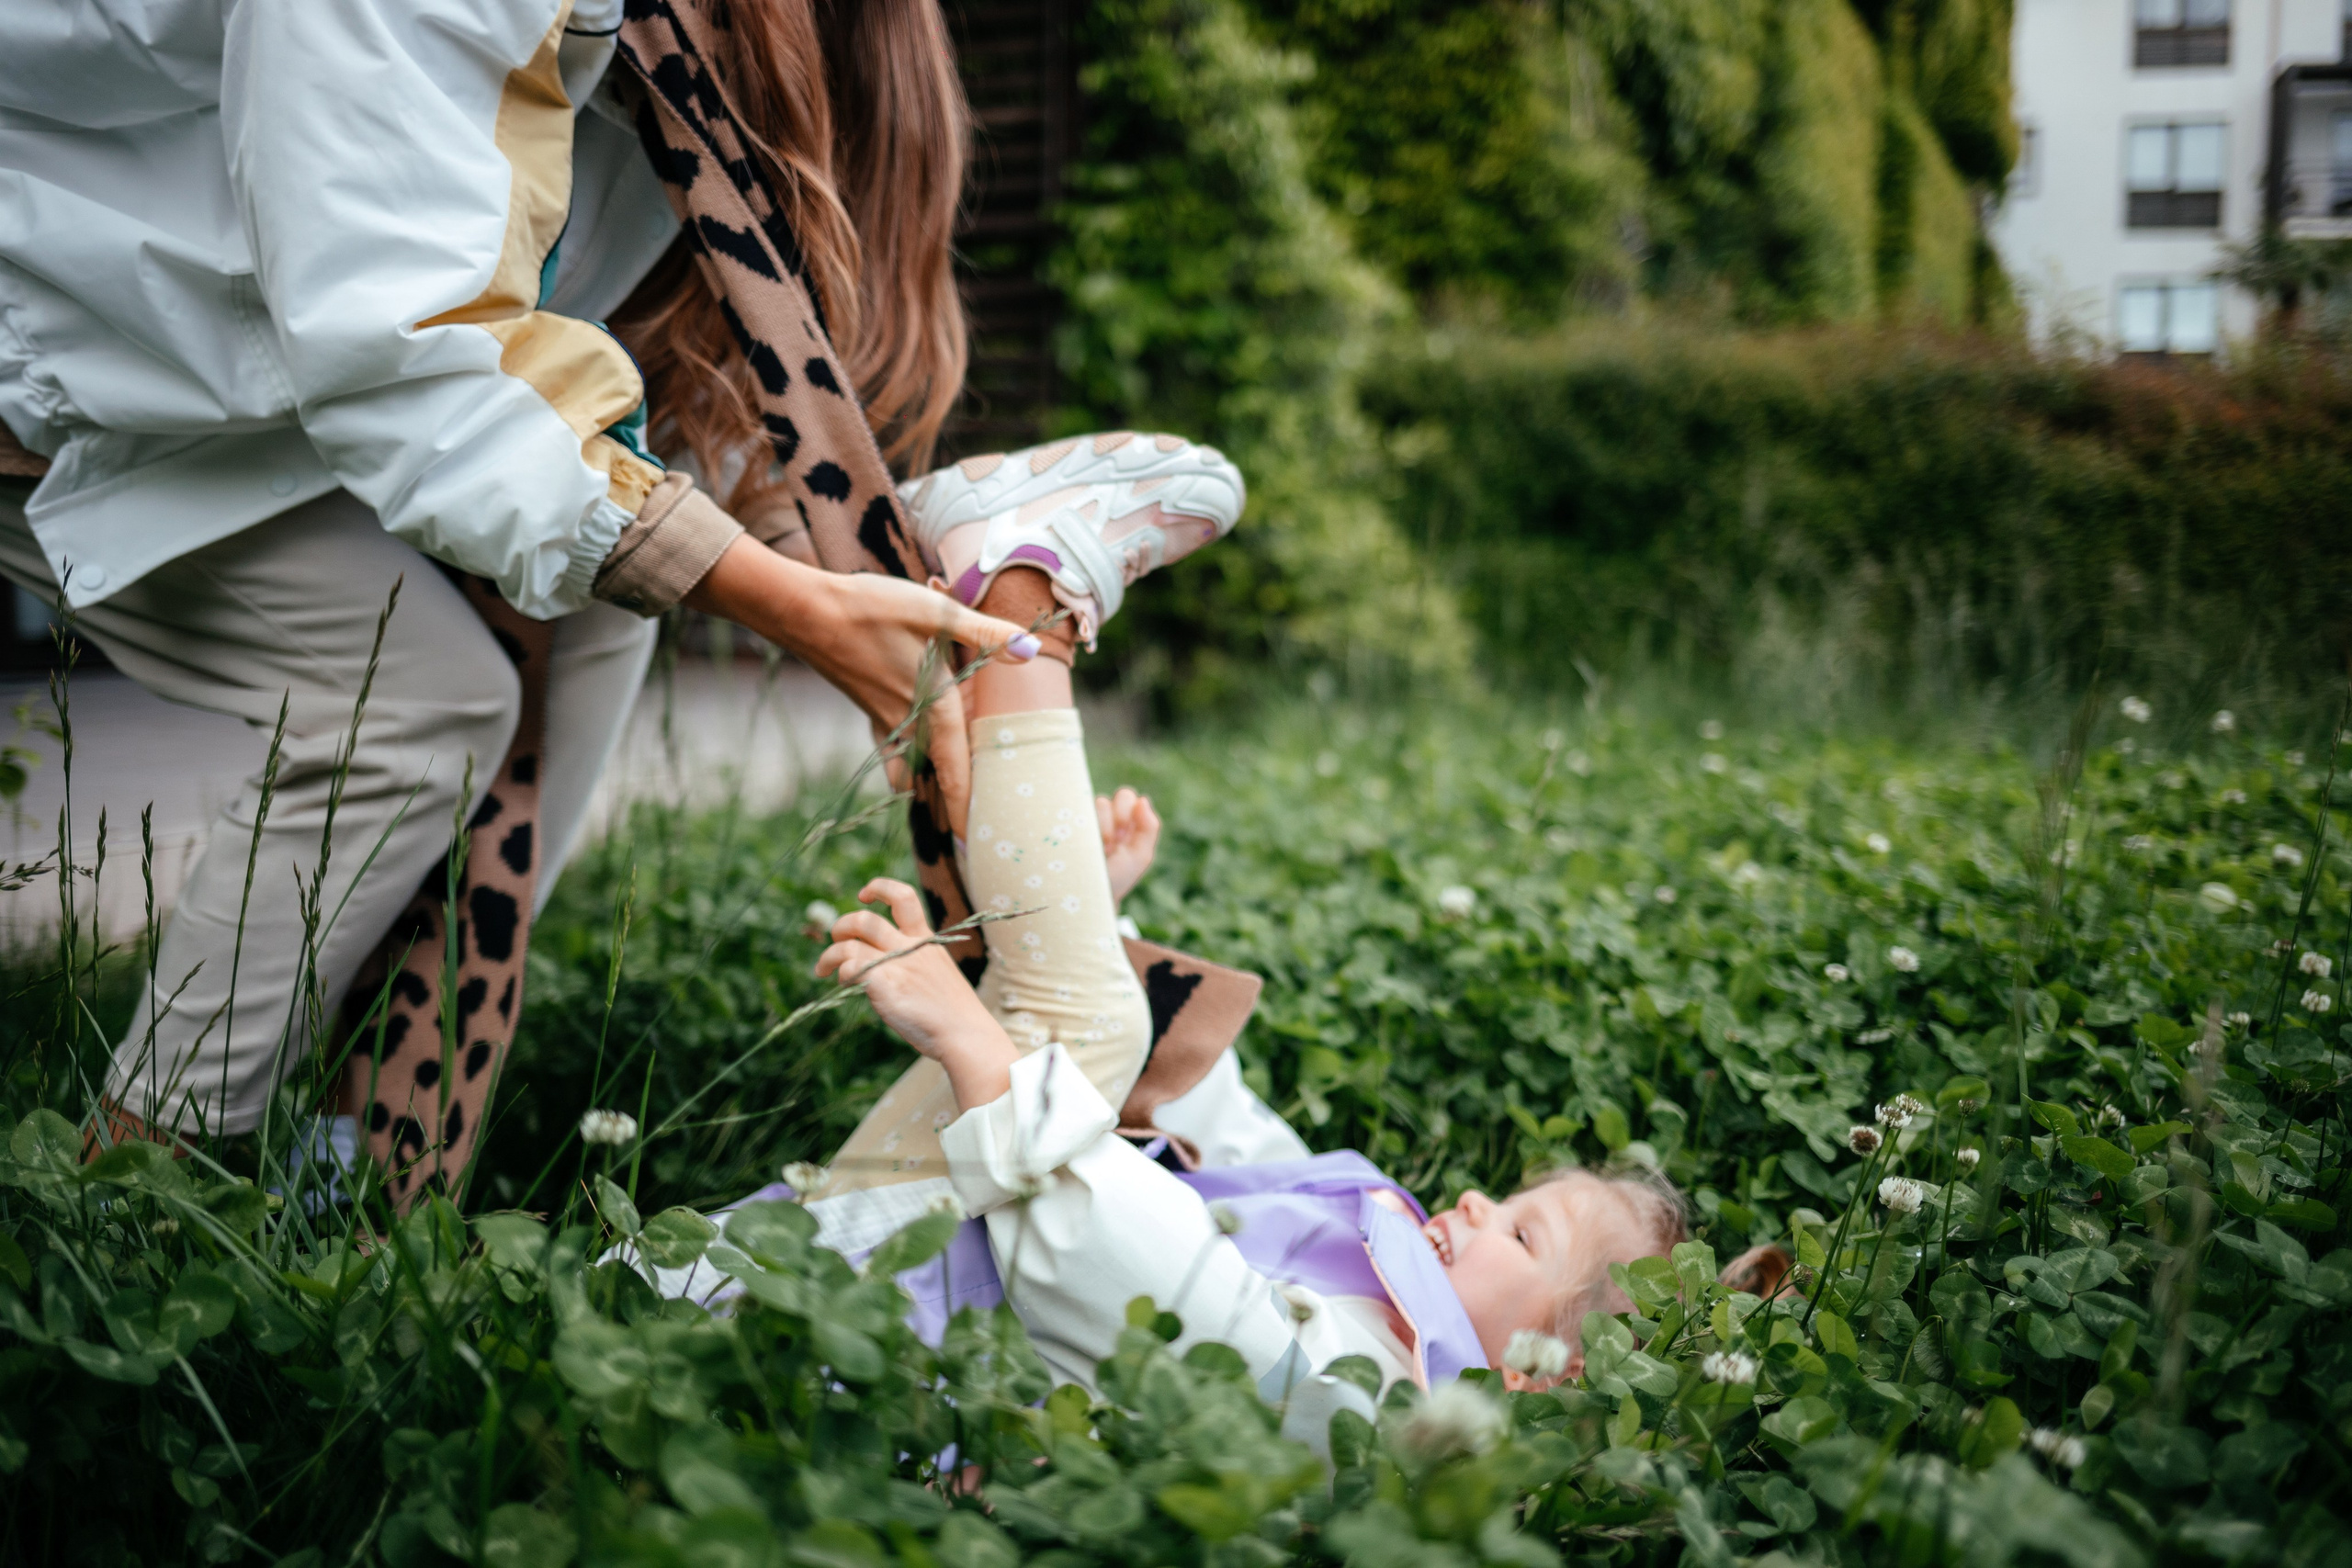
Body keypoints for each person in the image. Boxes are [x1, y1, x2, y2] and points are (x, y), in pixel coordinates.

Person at [0, 0, 1239, 1194]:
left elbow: (566, 343)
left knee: (591, 616)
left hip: (255, 359)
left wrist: (830, 570)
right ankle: (128, 1179)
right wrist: (801, 605)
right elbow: (407, 349)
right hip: (74, 337)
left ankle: (358, 1171)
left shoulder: (731, 36)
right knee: (409, 708)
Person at [651, 530, 1788, 1404]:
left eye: (1524, 1235)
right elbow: (1232, 1133)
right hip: (875, 1261)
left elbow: (1159, 1283)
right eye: (1515, 1202)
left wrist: (974, 1039)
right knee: (1093, 1024)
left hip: (813, 1354)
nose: (1482, 1202)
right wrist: (1088, 922)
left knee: (1077, 1033)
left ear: (1543, 1369)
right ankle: (1018, 601)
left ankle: (1021, 593)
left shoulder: (1363, 1395)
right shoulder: (1376, 1268)